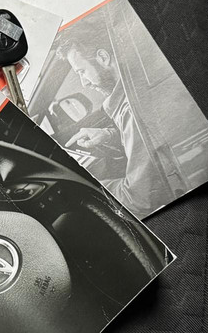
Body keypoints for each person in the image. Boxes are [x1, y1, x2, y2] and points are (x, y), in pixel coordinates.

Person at [60, 41, 169, 216]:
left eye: (82, 72)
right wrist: (109, 134)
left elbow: (138, 199)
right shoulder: (140, 83)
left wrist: (87, 187)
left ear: (103, 57)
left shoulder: (130, 109)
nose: (84, 83)